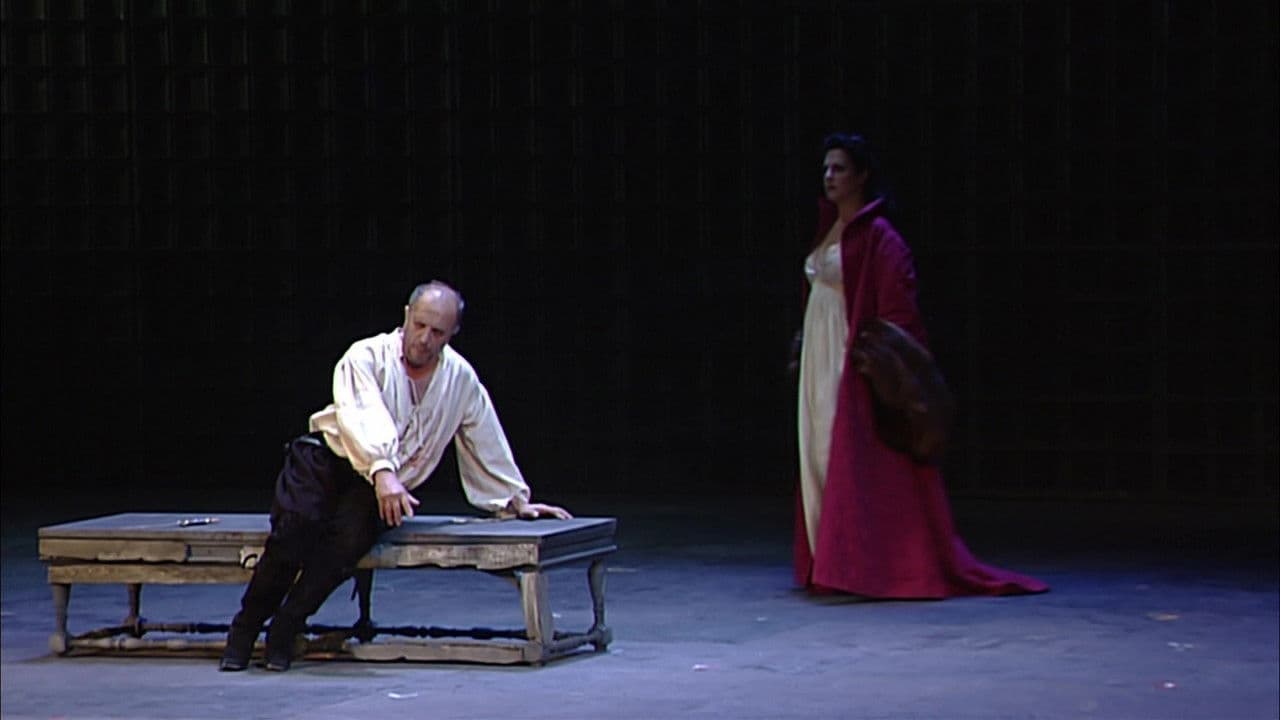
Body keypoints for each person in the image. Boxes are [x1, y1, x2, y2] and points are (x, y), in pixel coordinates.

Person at [220, 281, 572, 672]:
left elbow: (484, 438)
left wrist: (514, 500)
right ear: (407, 315)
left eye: (437, 332)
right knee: (296, 528)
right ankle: (245, 628)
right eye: (419, 325)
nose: (424, 339)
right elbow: (363, 415)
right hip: (329, 461)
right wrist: (383, 469)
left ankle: (286, 627)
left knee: (347, 544)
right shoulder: (367, 356)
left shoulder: (459, 379)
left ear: (452, 333)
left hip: (382, 484)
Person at [794, 133, 1047, 598]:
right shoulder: (830, 227)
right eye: (826, 168)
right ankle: (831, 559)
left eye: (840, 168)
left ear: (862, 176)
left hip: (847, 354)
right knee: (815, 452)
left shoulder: (879, 236)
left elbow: (898, 307)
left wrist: (876, 359)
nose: (829, 177)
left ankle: (857, 562)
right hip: (819, 352)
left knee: (843, 453)